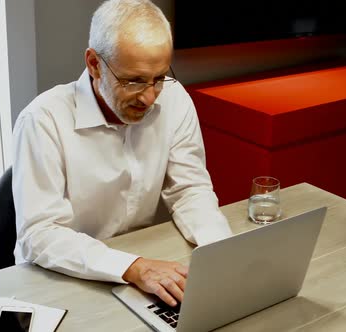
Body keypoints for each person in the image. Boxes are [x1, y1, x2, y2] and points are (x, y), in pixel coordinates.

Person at [12, 0, 232, 307]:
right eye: (134, 81)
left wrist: (220, 251)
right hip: (62, 276)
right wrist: (134, 267)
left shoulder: (174, 97)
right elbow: (40, 234)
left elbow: (189, 189)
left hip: (143, 265)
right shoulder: (43, 119)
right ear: (94, 64)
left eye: (159, 78)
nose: (150, 96)